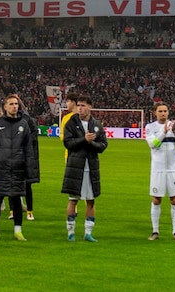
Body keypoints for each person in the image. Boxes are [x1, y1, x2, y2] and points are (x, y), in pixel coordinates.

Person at [0, 95, 36, 241]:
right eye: (11, 104)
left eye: (16, 104)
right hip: (0, 167)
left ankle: (18, 231)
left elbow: (28, 149)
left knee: (16, 200)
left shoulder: (24, 124)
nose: (15, 106)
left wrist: (30, 169)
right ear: (5, 107)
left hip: (18, 167)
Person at [61, 94, 108, 242]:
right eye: (79, 105)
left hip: (91, 168)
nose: (80, 108)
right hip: (75, 167)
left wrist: (92, 144)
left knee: (91, 200)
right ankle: (70, 232)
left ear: (90, 107)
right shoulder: (71, 123)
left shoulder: (96, 124)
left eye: (83, 105)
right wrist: (84, 139)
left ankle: (88, 233)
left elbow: (103, 145)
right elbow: (68, 143)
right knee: (73, 200)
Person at [145, 102, 175, 242]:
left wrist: (174, 132)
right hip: (158, 169)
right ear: (155, 112)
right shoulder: (150, 127)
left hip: (173, 168)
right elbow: (153, 145)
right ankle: (155, 231)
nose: (163, 113)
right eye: (160, 111)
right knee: (156, 200)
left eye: (165, 111)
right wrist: (164, 132)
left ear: (168, 112)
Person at [60, 92, 79, 160]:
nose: (66, 104)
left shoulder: (84, 117)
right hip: (70, 153)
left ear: (73, 102)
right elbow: (62, 136)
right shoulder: (66, 118)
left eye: (67, 101)